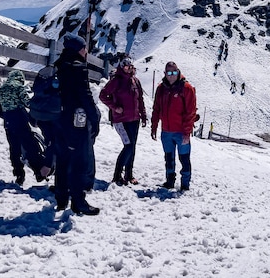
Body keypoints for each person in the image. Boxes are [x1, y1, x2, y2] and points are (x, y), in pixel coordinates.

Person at [53, 33, 101, 215]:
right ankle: (78, 201)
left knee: (63, 159)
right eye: (83, 48)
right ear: (78, 49)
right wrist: (94, 118)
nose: (86, 51)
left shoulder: (59, 65)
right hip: (76, 121)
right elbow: (85, 96)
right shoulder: (78, 68)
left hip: (59, 119)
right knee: (79, 160)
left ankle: (61, 198)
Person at [99, 54, 147, 185]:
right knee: (128, 146)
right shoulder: (116, 80)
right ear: (121, 66)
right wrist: (115, 107)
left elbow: (140, 99)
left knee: (132, 146)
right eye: (126, 66)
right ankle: (117, 174)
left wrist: (143, 115)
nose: (128, 68)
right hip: (121, 119)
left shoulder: (135, 81)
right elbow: (103, 95)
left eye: (130, 66)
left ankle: (129, 175)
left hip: (134, 118)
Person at [0, 70, 51, 185]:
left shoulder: (1, 90)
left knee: (14, 148)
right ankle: (39, 171)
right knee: (30, 145)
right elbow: (28, 103)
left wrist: (7, 115)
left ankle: (19, 173)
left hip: (8, 122)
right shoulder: (18, 87)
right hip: (20, 119)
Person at [151, 61, 197, 191]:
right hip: (166, 132)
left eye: (174, 72)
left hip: (181, 132)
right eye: (169, 73)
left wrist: (187, 133)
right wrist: (154, 126)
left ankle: (185, 185)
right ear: (165, 73)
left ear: (178, 72)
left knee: (184, 159)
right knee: (169, 158)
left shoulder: (186, 88)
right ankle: (169, 181)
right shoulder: (161, 89)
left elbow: (191, 112)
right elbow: (156, 109)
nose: (171, 75)